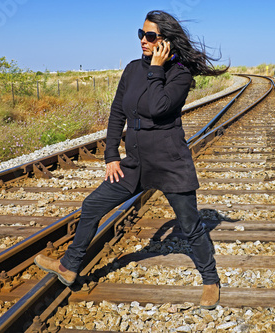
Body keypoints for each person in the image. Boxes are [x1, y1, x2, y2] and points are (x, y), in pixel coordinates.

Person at [34, 10, 229, 310]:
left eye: (150, 36)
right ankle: (70, 266)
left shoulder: (179, 73)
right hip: (135, 164)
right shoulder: (131, 69)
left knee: (190, 225)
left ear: (166, 41)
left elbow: (157, 106)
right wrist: (111, 154)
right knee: (92, 206)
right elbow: (117, 113)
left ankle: (210, 280)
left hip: (169, 163)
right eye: (141, 34)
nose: (143, 41)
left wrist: (156, 68)